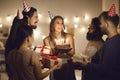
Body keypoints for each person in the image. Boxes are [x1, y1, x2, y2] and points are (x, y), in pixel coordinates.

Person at [73, 4, 120, 80]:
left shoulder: (112, 44)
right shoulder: (111, 40)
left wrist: (87, 65)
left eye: (100, 23)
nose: (100, 26)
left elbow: (106, 70)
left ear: (106, 24)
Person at [43, 16, 76, 80]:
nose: (60, 25)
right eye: (58, 23)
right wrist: (57, 49)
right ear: (52, 25)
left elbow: (72, 53)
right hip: (55, 67)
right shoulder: (47, 40)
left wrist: (65, 49)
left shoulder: (69, 36)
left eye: (62, 23)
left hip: (68, 66)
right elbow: (49, 56)